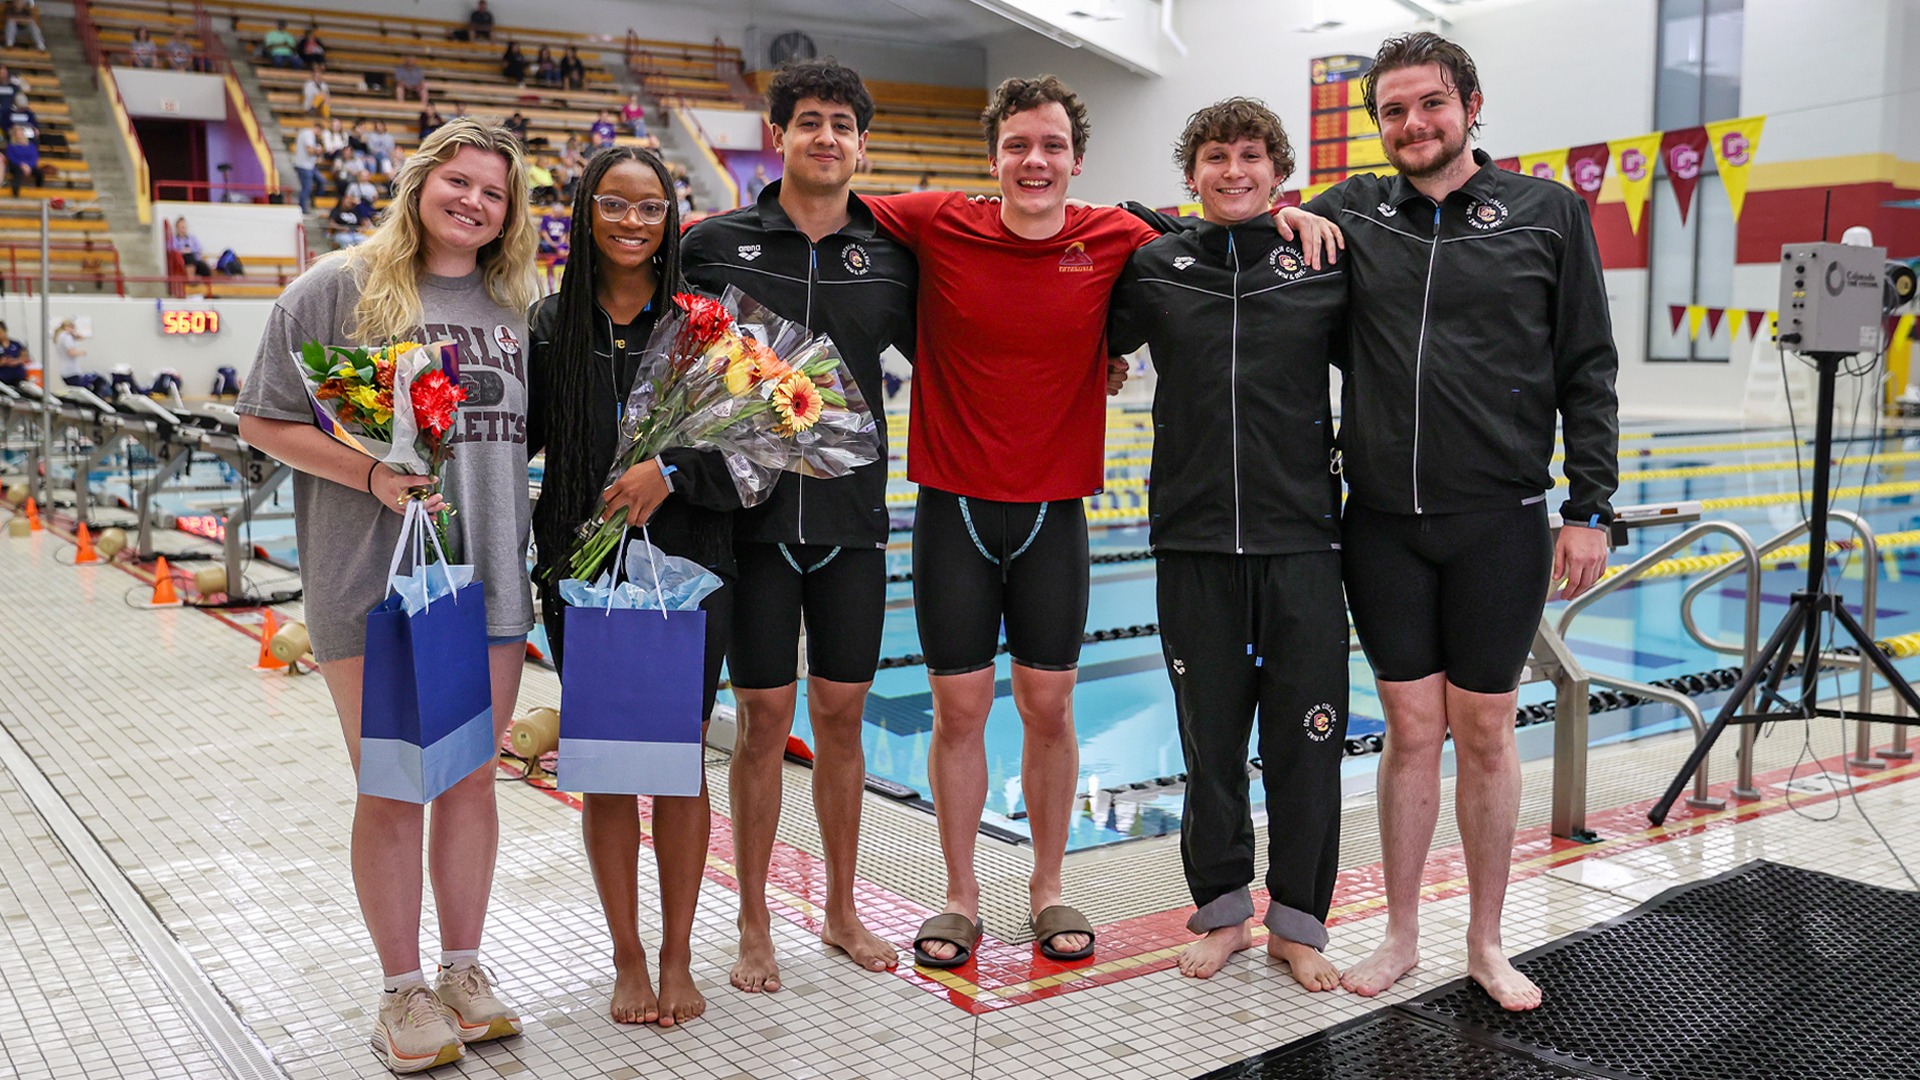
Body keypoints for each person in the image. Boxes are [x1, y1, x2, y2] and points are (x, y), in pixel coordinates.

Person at [1305, 32, 1618, 1011]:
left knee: (1483, 731)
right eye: (1392, 112)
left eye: (1430, 105)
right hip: (1385, 523)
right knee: (1410, 728)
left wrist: (1590, 510)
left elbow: (1589, 370)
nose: (1413, 125)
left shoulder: (1547, 214)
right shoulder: (1349, 213)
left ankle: (1486, 941)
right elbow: (1248, 259)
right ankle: (1401, 934)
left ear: (1471, 105)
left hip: (1502, 520)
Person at [234, 119, 539, 1074]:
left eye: (494, 192)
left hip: (487, 577)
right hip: (374, 582)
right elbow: (262, 417)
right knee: (395, 784)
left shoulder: (517, 305)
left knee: (471, 777)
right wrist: (370, 478)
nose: (473, 202)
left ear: (509, 214)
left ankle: (462, 969)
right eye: (458, 181)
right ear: (417, 183)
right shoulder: (341, 287)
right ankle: (401, 987)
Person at [680, 59, 915, 993]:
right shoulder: (715, 242)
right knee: (765, 721)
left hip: (853, 520)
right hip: (751, 520)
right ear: (778, 134)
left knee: (843, 718)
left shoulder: (891, 253)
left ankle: (843, 908)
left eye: (843, 125)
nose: (827, 137)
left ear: (862, 143)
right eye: (809, 121)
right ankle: (751, 920)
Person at [1107, 97, 1350, 989]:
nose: (1235, 171)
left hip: (1303, 540)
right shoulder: (1156, 266)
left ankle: (1299, 921)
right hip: (1194, 536)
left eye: (1252, 156)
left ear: (1280, 172)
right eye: (1216, 157)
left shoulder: (1321, 255)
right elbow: (1089, 319)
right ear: (1192, 173)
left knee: (1307, 740)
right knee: (1210, 741)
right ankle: (1222, 912)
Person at [525, 146, 738, 1028]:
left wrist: (672, 471)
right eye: (614, 204)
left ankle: (682, 954)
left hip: (686, 570)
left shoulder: (703, 324)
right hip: (583, 568)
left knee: (680, 765)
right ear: (585, 212)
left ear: (671, 220)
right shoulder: (548, 325)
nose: (632, 222)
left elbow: (749, 448)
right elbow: (518, 441)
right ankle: (628, 957)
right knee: (611, 771)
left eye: (650, 208)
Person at [293, 118, 323, 212]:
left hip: (310, 165)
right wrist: (318, 151)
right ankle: (302, 209)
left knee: (321, 181)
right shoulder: (308, 134)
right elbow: (310, 150)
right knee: (306, 188)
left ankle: (315, 200)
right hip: (304, 165)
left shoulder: (309, 135)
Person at [5, 118, 37, 198]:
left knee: (39, 173)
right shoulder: (11, 146)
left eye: (20, 133)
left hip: (29, 165)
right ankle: (15, 192)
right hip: (16, 165)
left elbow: (34, 157)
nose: (19, 135)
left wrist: (28, 166)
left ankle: (39, 190)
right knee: (18, 172)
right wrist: (22, 165)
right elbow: (11, 157)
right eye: (17, 133)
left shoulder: (31, 145)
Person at [0, 320, 32, 387]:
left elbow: (25, 357)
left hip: (18, 377)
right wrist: (2, 362)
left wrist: (16, 361)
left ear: (5, 331)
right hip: (2, 379)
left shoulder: (16, 344)